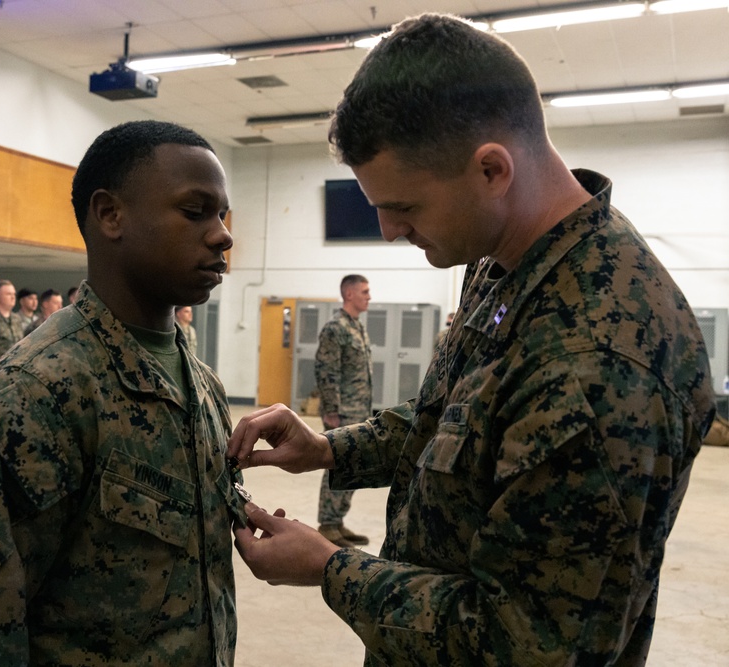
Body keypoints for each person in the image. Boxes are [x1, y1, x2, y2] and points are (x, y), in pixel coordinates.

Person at [228, 14, 715, 666]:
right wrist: (326, 449)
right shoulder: (501, 264)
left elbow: (527, 643)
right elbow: (451, 423)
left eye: (405, 206)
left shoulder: (595, 362)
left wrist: (333, 567)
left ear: (491, 169)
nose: (389, 232)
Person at [0, 120, 239, 665]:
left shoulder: (202, 385)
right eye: (195, 211)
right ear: (111, 215)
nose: (222, 234)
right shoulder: (34, 394)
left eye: (222, 215)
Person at [314, 274, 372, 548]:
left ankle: (337, 522)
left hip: (359, 409)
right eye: (364, 291)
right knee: (336, 464)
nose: (369, 296)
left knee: (353, 466)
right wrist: (332, 409)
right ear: (349, 294)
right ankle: (327, 524)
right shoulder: (335, 328)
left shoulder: (357, 327)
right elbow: (326, 370)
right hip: (343, 412)